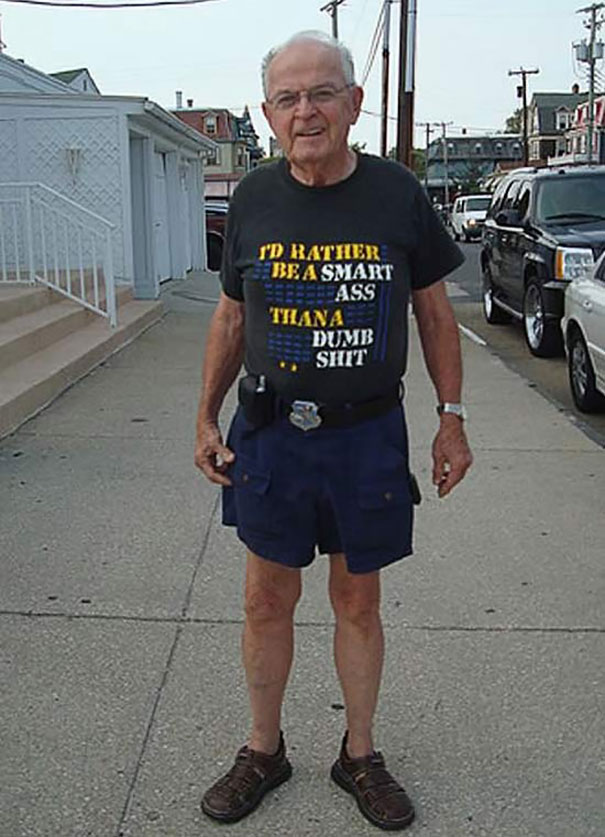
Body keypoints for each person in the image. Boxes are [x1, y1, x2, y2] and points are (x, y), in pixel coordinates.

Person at [194, 30, 472, 832]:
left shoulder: (397, 194)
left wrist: (450, 418)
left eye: (322, 93)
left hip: (366, 435)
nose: (305, 111)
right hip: (270, 435)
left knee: (357, 599)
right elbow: (230, 315)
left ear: (353, 103)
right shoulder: (252, 198)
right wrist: (205, 414)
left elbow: (433, 314)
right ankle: (263, 749)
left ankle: (358, 754)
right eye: (288, 98)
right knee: (264, 599)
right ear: (267, 114)